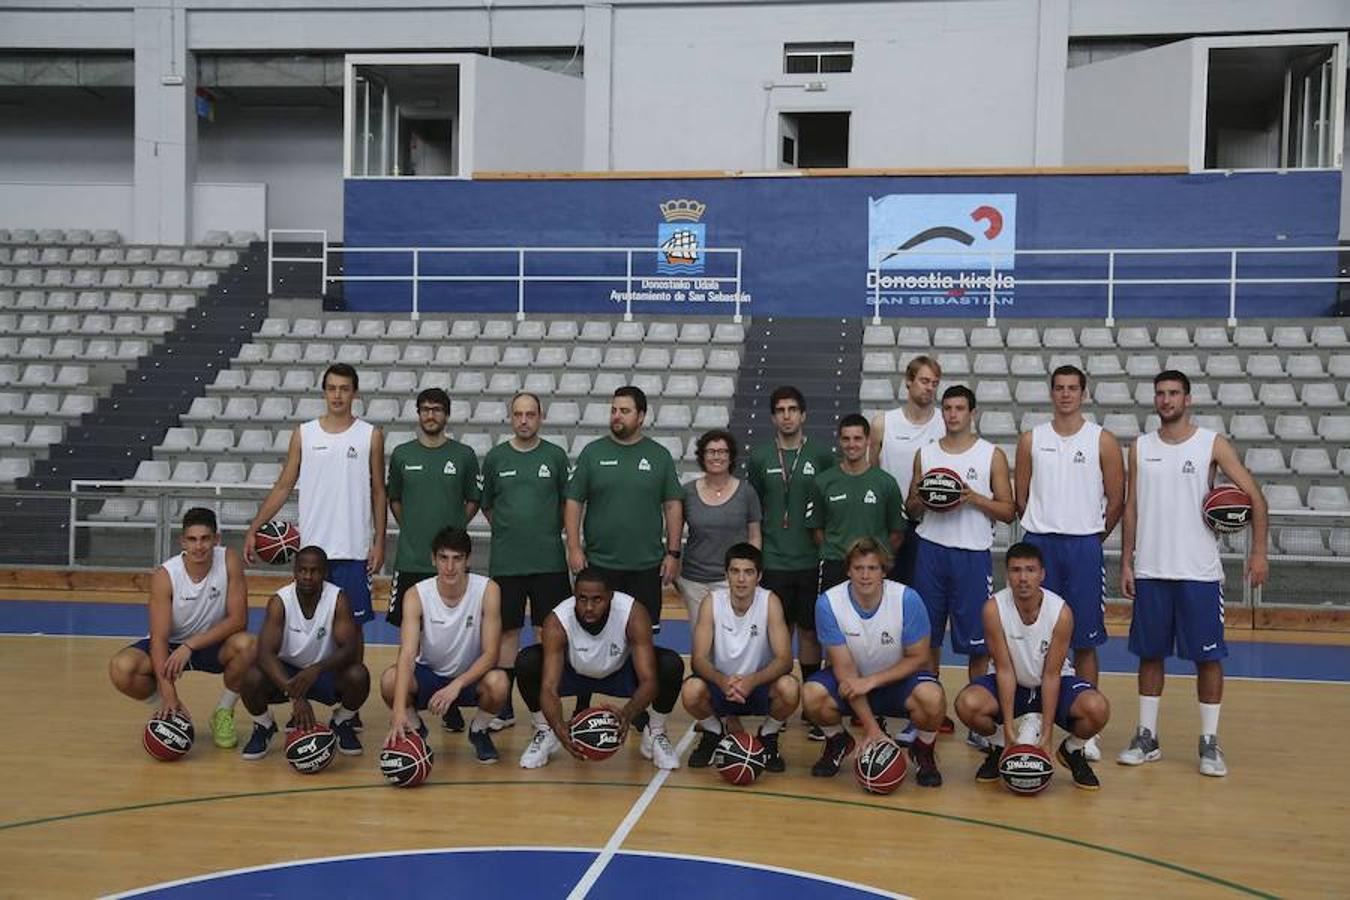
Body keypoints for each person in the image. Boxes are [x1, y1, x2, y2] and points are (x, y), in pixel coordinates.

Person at [1118, 370, 1268, 777]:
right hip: (1151, 569)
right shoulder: (1141, 446)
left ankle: (1209, 742)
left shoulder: (1211, 444)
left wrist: (1258, 552)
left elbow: (1255, 497)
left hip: (1199, 571)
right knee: (1150, 655)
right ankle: (1147, 736)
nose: (1166, 400)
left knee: (1207, 659)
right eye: (1160, 394)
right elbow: (1131, 507)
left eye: (1173, 394)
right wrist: (1126, 561)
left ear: (1188, 399)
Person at [1014, 364, 1124, 762]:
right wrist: (1044, 528)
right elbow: (1021, 496)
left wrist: (1093, 537)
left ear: (1084, 394)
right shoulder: (1032, 440)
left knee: (1085, 638)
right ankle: (1030, 717)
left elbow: (1116, 500)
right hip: (1040, 544)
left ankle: (1085, 730)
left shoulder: (1103, 441)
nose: (1065, 394)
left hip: (1083, 547)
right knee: (1031, 633)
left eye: (1072, 388)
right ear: (1051, 393)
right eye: (1059, 388)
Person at [905, 385, 1015, 749]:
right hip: (931, 551)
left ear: (973, 413)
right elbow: (911, 508)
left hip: (972, 553)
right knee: (926, 638)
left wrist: (971, 497)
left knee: (977, 643)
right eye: (947, 408)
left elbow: (1008, 509)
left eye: (959, 408)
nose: (953, 414)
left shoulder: (991, 455)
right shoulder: (927, 453)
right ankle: (927, 714)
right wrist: (923, 496)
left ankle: (973, 716)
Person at [954, 543, 1110, 790]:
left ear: (1042, 574)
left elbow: (1051, 675)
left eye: (1030, 570)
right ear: (1007, 575)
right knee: (967, 703)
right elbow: (1004, 670)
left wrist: (1047, 736)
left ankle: (1072, 751)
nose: (1023, 578)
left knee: (1097, 707)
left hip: (1051, 681)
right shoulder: (993, 609)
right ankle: (998, 749)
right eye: (1016, 570)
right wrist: (1007, 729)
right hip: (1012, 682)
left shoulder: (1061, 612)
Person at [244, 363, 386, 633]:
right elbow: (283, 486)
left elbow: (379, 491)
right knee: (309, 627)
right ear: (324, 392)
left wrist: (379, 542)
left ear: (355, 393)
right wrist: (254, 528)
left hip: (353, 548)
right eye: (332, 388)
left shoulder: (371, 435)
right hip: (311, 549)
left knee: (352, 630)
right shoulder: (304, 433)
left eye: (344, 389)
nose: (337, 395)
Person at [801, 538, 946, 786]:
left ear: (884, 571)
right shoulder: (829, 603)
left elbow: (920, 657)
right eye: (858, 569)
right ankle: (838, 742)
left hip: (896, 681)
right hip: (852, 682)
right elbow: (845, 671)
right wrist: (872, 729)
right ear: (848, 571)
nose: (865, 576)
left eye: (872, 568)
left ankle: (923, 749)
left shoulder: (907, 599)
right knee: (811, 694)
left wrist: (872, 681)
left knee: (933, 698)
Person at [108, 507, 253, 749]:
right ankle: (171, 715)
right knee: (122, 668)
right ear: (182, 541)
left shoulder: (229, 560)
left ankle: (223, 712)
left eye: (205, 539)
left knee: (249, 646)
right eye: (192, 539)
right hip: (170, 645)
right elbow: (159, 638)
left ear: (216, 540)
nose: (199, 546)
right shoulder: (166, 575)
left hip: (209, 643)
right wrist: (168, 695)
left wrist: (190, 645)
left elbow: (239, 620)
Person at [515, 568, 686, 770]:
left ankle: (655, 732)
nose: (588, 607)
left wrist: (626, 715)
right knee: (528, 661)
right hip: (574, 673)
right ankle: (544, 731)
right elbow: (549, 687)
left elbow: (648, 681)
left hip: (620, 673)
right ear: (574, 595)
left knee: (670, 664)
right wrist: (559, 726)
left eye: (597, 599)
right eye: (582, 599)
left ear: (611, 596)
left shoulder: (633, 613)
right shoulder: (557, 621)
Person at [745, 386, 836, 739]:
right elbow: (754, 506)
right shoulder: (759, 457)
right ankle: (778, 705)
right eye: (780, 410)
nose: (786, 416)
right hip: (773, 558)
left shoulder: (822, 455)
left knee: (810, 632)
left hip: (811, 558)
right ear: (772, 417)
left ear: (803, 415)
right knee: (776, 635)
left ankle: (813, 707)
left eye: (792, 409)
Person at [479, 391, 572, 731]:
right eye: (518, 414)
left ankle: (544, 707)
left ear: (540, 417)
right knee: (506, 636)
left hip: (549, 562)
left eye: (530, 414)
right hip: (507, 564)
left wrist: (545, 531)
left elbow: (567, 504)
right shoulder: (495, 458)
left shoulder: (556, 456)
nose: (523, 420)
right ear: (510, 417)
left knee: (548, 635)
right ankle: (503, 709)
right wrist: (511, 530)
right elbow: (488, 506)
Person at [380, 527, 507, 763]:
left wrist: (456, 685)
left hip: (468, 677)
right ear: (433, 559)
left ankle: (479, 731)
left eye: (457, 559)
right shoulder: (416, 594)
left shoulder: (488, 590)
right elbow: (407, 654)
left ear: (468, 559)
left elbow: (491, 654)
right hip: (429, 675)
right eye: (443, 558)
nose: (450, 567)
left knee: (499, 683)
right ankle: (416, 729)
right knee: (390, 679)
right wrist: (398, 712)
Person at [565, 385, 682, 631]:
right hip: (599, 565)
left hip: (646, 566)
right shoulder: (592, 453)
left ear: (641, 416)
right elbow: (574, 501)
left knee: (643, 637)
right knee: (599, 634)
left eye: (625, 411)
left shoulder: (659, 456)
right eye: (614, 410)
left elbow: (672, 505)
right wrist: (574, 548)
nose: (616, 415)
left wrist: (673, 553)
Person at [238, 546, 370, 760]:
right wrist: (295, 695)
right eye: (303, 570)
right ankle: (264, 725)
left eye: (314, 571)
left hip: (323, 672)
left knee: (358, 675)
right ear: (295, 571)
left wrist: (317, 669)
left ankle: (342, 722)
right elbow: (264, 653)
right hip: (287, 674)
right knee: (251, 677)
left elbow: (349, 648)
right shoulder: (280, 601)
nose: (307, 576)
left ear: (325, 572)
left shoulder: (338, 599)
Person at [682, 543, 798, 772]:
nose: (741, 579)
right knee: (690, 691)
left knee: (790, 688)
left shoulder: (770, 601)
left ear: (759, 576)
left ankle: (768, 736)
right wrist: (722, 681)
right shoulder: (712, 602)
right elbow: (699, 659)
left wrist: (751, 681)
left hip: (758, 685)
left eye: (748, 572)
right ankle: (714, 732)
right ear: (726, 575)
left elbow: (785, 659)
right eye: (735, 571)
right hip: (721, 685)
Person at [385, 387, 480, 628]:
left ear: (446, 415)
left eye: (437, 410)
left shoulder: (464, 455)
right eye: (425, 409)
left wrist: (457, 524)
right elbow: (394, 498)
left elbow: (474, 499)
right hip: (411, 559)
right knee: (408, 628)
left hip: (450, 562)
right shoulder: (402, 454)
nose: (430, 415)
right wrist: (410, 524)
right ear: (418, 414)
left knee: (452, 627)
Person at [808, 413, 905, 594]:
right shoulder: (823, 481)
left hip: (872, 567)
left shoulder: (886, 482)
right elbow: (816, 530)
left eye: (857, 438)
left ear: (868, 440)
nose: (851, 444)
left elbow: (897, 533)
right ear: (839, 441)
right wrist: (837, 552)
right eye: (846, 439)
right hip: (835, 565)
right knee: (833, 620)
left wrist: (874, 557)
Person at [870, 355, 944, 584]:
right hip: (892, 525)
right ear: (908, 381)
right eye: (924, 381)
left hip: (933, 523)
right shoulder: (883, 423)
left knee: (925, 598)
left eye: (934, 383)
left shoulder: (946, 423)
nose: (929, 388)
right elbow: (872, 472)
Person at [677, 429, 763, 624]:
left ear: (731, 456)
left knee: (732, 640)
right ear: (702, 456)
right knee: (701, 642)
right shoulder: (687, 492)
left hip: (733, 581)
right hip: (694, 581)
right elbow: (674, 531)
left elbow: (755, 535)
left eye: (723, 451)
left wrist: (750, 570)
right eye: (711, 451)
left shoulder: (747, 492)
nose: (717, 456)